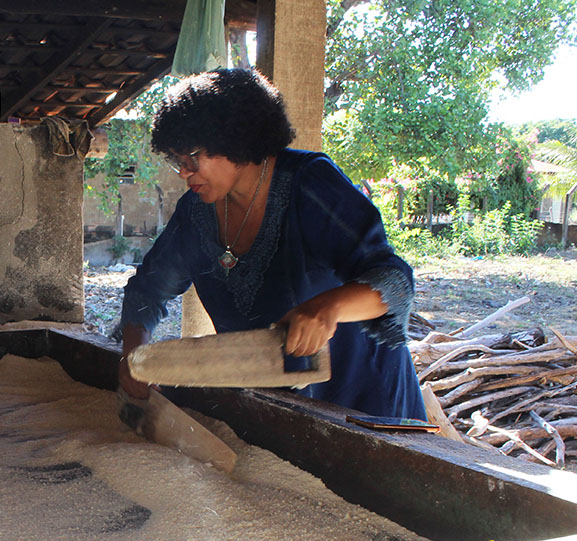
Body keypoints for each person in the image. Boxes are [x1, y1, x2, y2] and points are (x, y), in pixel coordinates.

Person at [118, 68, 426, 420]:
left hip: (364, 402)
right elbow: (147, 290)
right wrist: (134, 357)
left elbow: (393, 280)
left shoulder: (310, 186)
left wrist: (328, 308)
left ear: (233, 140)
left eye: (192, 157)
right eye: (176, 161)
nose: (184, 172)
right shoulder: (195, 213)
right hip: (277, 405)